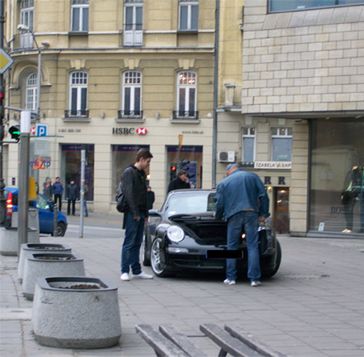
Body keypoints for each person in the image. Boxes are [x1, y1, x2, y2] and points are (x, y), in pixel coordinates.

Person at [215, 163, 269, 287]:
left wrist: (218, 216)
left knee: (232, 247)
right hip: (251, 213)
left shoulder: (224, 182)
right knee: (252, 246)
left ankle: (231, 278)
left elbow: (220, 204)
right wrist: (263, 214)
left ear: (229, 171)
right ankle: (254, 279)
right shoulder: (252, 177)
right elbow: (263, 196)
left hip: (233, 215)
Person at [120, 148, 154, 281]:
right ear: (141, 159)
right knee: (129, 242)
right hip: (132, 213)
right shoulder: (129, 172)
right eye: (148, 161)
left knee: (138, 242)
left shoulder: (141, 173)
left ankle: (136, 270)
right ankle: (124, 270)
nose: (148, 164)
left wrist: (145, 214)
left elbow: (143, 196)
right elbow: (129, 194)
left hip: (140, 212)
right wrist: (135, 213)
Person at [341, 165, 364, 233]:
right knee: (347, 211)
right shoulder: (349, 172)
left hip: (354, 193)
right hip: (347, 193)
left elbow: (359, 184)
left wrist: (357, 194)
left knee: (354, 210)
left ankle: (351, 227)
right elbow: (345, 183)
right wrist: (343, 193)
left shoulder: (359, 173)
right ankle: (348, 227)